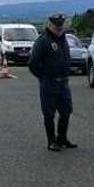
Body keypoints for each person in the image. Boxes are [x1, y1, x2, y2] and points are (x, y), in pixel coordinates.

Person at [29, 14, 77, 151]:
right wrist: (43, 77)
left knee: (66, 111)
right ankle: (51, 141)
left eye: (60, 27)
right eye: (56, 27)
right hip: (49, 83)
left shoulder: (63, 40)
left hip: (63, 82)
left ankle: (62, 138)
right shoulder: (43, 41)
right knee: (49, 113)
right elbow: (33, 64)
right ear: (50, 25)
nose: (59, 29)